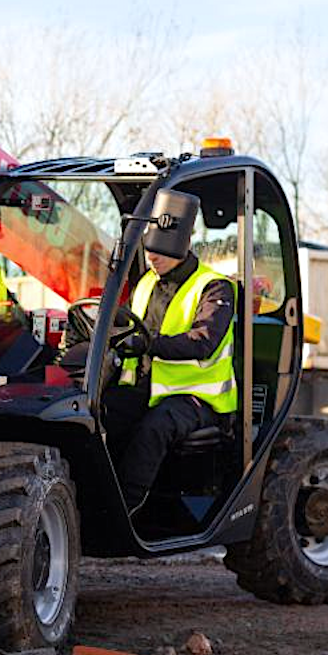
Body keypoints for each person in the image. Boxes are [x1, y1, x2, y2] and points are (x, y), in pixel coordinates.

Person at [105, 212, 238, 515]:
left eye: (160, 250)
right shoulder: (147, 283)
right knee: (101, 412)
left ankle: (124, 511)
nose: (152, 256)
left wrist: (149, 344)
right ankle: (89, 502)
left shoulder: (214, 287)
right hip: (145, 388)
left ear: (185, 242)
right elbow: (123, 323)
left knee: (155, 427)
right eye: (149, 248)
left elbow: (204, 341)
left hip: (199, 400)